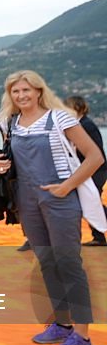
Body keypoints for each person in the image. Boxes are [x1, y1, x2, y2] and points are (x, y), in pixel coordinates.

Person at [0, 72, 103, 345]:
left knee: (69, 264)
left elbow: (95, 156)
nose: (21, 96)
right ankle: (62, 323)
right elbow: (10, 161)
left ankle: (83, 338)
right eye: (15, 91)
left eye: (26, 90)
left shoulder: (61, 119)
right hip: (28, 200)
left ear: (38, 91)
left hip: (60, 200)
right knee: (47, 261)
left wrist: (68, 186)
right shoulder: (12, 124)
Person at [63, 96, 106, 247]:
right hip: (90, 170)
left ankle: (99, 236)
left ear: (77, 107)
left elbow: (95, 152)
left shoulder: (86, 125)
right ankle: (99, 237)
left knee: (92, 202)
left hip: (96, 170)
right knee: (92, 202)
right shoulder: (79, 124)